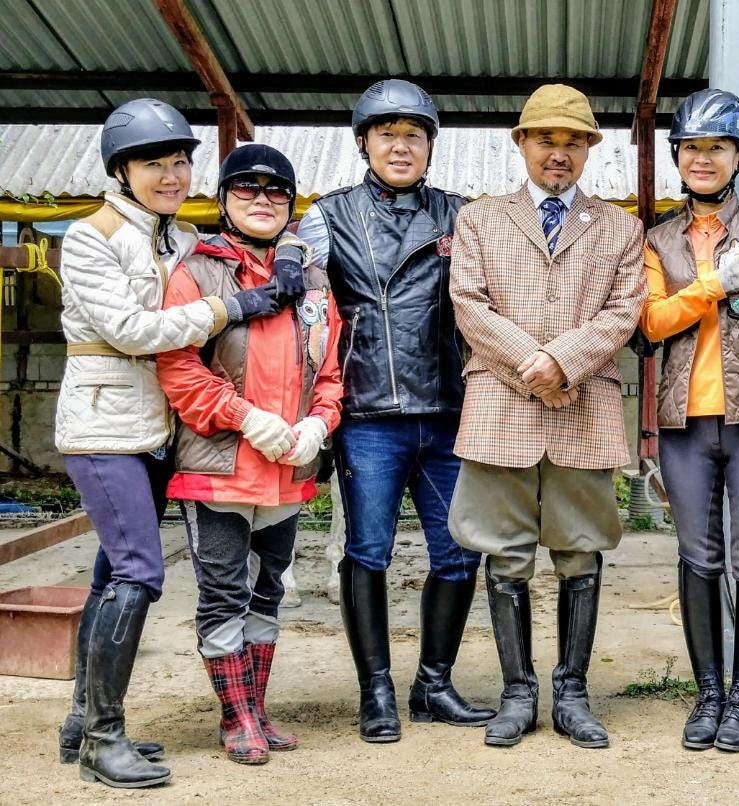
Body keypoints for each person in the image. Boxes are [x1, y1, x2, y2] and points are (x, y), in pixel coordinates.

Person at [56, 99, 295, 788]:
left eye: (180, 162)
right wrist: (230, 307)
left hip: (159, 430)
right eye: (153, 164)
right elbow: (131, 330)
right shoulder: (92, 237)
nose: (171, 176)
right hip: (104, 428)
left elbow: (245, 252)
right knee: (138, 570)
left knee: (110, 574)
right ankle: (104, 740)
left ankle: (82, 722)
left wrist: (284, 259)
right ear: (121, 171)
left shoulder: (177, 239)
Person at [448, 84, 645, 750]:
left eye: (572, 142)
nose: (558, 154)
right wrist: (534, 367)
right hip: (500, 406)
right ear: (521, 143)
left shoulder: (619, 227)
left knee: (580, 550)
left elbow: (623, 312)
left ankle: (572, 693)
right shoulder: (480, 219)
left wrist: (563, 362)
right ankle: (516, 693)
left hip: (583, 407)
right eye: (545, 140)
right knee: (504, 554)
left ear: (589, 150)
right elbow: (469, 304)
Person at [295, 79, 491, 743]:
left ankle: (433, 684)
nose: (401, 146)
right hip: (369, 413)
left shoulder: (463, 216)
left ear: (430, 146)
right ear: (363, 143)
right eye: (387, 134)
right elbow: (306, 310)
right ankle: (375, 690)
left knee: (459, 552)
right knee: (368, 551)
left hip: (448, 412)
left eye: (414, 134)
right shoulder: (328, 217)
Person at [156, 144, 342, 765]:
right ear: (224, 199)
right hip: (219, 468)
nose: (262, 200)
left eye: (275, 191)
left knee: (268, 592)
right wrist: (245, 417)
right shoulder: (197, 273)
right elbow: (179, 368)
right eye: (246, 188)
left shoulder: (313, 281)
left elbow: (331, 371)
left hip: (287, 468)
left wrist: (319, 422)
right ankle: (235, 718)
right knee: (224, 592)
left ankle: (256, 709)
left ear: (291, 204)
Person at [638, 89, 739, 753]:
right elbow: (651, 323)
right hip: (684, 421)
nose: (702, 158)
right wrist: (712, 284)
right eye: (691, 148)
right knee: (698, 558)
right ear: (677, 156)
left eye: (716, 147)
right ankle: (708, 694)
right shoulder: (658, 240)